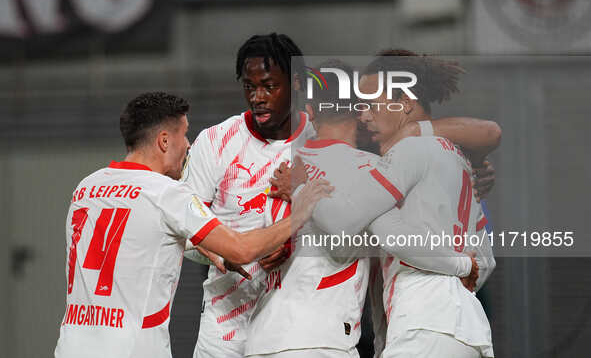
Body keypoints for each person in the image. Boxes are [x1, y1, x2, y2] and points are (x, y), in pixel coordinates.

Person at [54, 92, 331, 358]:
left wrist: (210, 249)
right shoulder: (166, 193)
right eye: (184, 134)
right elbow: (242, 250)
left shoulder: (87, 187)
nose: (188, 145)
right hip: (134, 349)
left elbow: (134, 242)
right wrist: (300, 211)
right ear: (164, 141)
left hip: (72, 346)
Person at [243, 59, 480, 358]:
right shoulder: (370, 170)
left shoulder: (278, 168)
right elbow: (397, 237)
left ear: (311, 113)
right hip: (321, 342)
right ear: (360, 112)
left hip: (261, 338)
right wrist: (462, 264)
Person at [308, 52, 498, 357]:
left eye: (370, 104)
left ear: (405, 101)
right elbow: (485, 261)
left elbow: (345, 223)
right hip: (468, 329)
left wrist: (305, 187)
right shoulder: (459, 160)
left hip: (424, 324)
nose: (363, 115)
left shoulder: (406, 152)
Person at [182, 33, 317, 358]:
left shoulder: (323, 142)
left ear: (297, 83)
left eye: (269, 86)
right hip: (224, 333)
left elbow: (352, 226)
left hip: (301, 329)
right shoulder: (214, 141)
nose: (257, 96)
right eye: (249, 86)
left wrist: (292, 243)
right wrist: (223, 253)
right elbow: (183, 232)